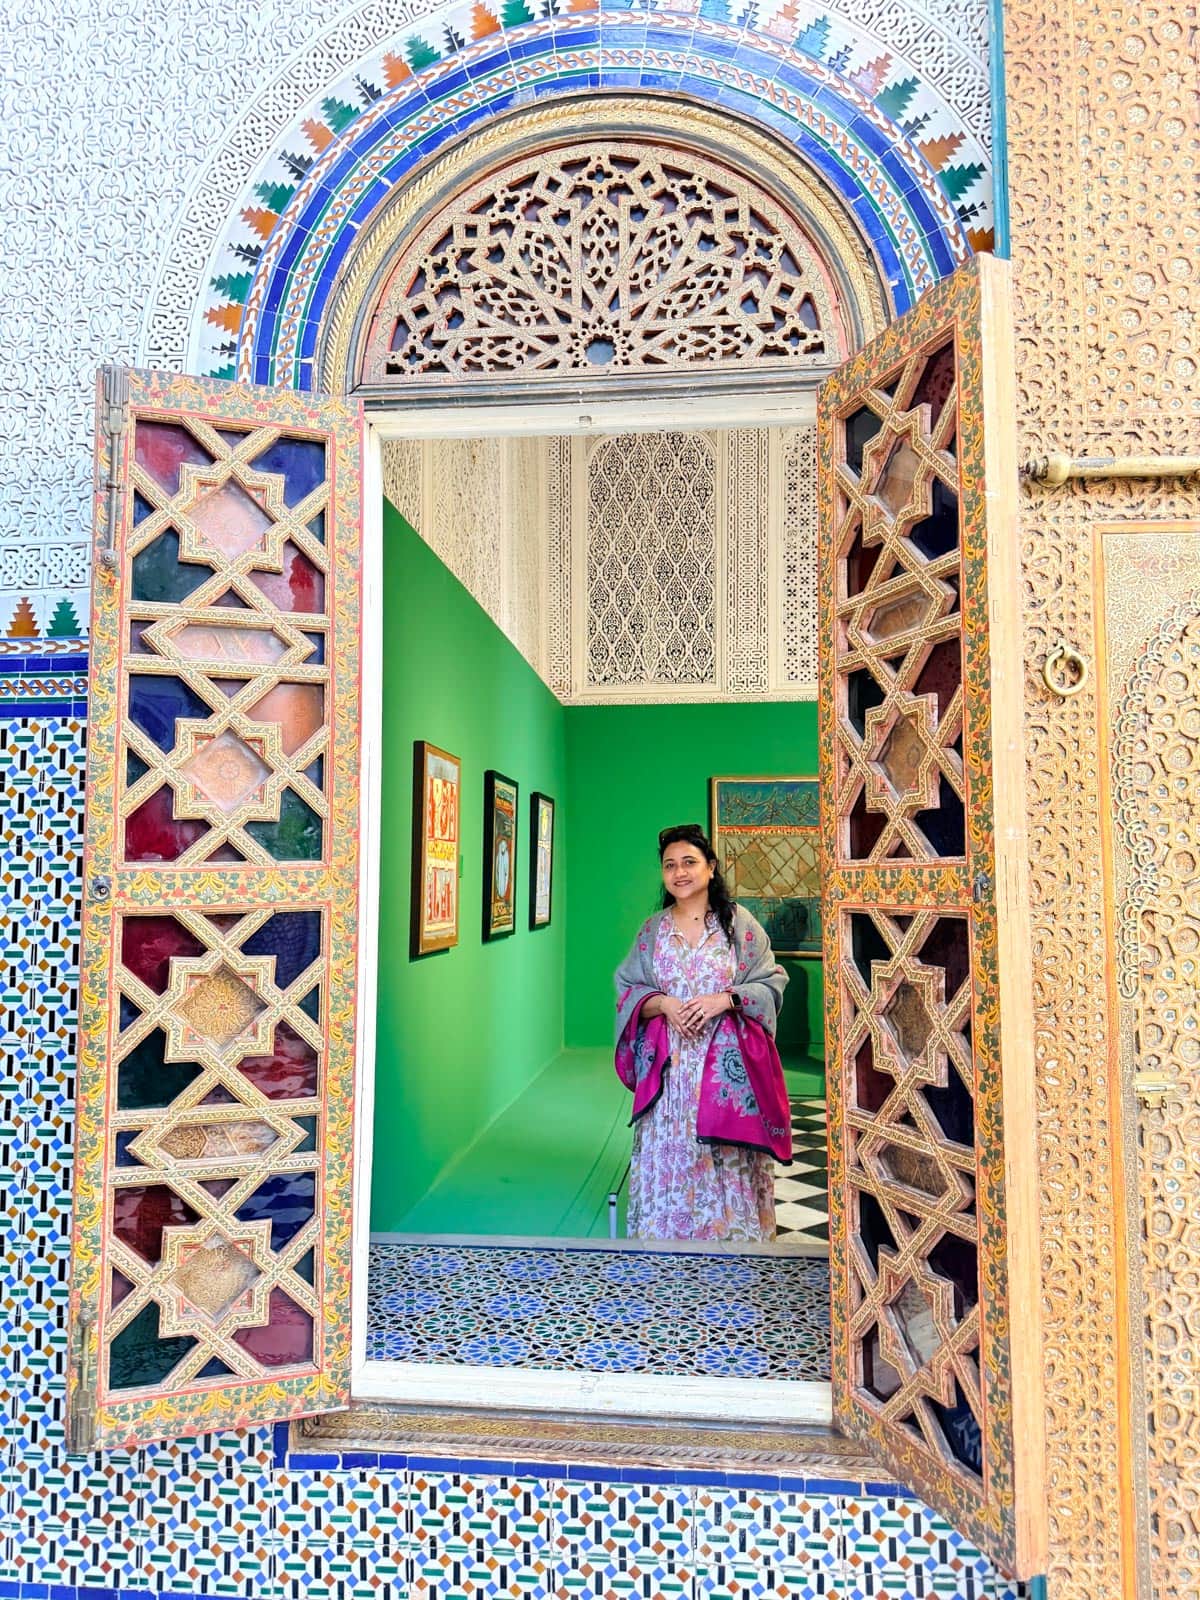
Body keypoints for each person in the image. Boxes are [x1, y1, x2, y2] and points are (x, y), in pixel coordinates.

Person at [614, 823, 791, 1241]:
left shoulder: (739, 925)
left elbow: (771, 981)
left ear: (710, 868)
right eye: (670, 865)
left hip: (724, 1075)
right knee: (671, 1153)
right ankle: (666, 1258)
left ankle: (732, 1252)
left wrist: (725, 999)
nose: (680, 873)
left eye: (689, 862)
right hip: (671, 1075)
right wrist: (663, 1004)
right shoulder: (652, 931)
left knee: (723, 1155)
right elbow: (628, 989)